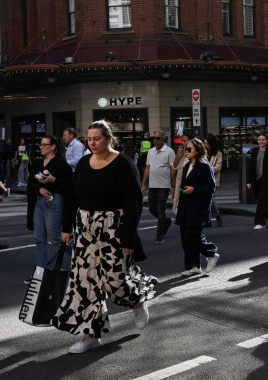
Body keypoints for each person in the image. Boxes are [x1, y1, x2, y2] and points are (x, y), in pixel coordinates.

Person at [52, 120, 157, 354]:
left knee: (115, 280)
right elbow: (72, 197)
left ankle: (137, 302)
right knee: (84, 282)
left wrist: (128, 237)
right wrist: (67, 226)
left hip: (113, 228)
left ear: (108, 138)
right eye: (89, 139)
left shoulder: (123, 164)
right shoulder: (83, 163)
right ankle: (89, 334)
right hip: (85, 228)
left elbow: (133, 202)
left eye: (96, 138)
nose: (92, 143)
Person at [27, 134, 72, 276]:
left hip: (54, 201)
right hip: (39, 202)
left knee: (56, 238)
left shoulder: (60, 163)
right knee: (39, 239)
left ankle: (83, 261)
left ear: (53, 147)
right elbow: (31, 183)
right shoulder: (38, 163)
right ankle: (41, 272)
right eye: (40, 145)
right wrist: (39, 188)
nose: (41, 147)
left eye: (44, 145)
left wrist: (53, 180)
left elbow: (69, 185)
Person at [175, 138, 218, 275]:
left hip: (197, 208)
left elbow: (210, 188)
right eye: (185, 149)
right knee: (185, 239)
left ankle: (211, 254)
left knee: (191, 237)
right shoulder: (187, 166)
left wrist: (194, 190)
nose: (186, 151)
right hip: (184, 207)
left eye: (189, 149)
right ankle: (193, 266)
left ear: (198, 150)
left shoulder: (205, 167)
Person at [141, 130, 176, 244]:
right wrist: (143, 184)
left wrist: (173, 185)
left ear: (163, 139)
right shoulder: (150, 152)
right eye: (154, 138)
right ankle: (166, 222)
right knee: (152, 209)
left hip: (164, 185)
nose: (155, 140)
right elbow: (147, 168)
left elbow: (172, 169)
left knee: (161, 210)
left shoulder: (169, 152)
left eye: (158, 138)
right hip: (152, 185)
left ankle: (160, 235)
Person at [247, 132, 268, 229]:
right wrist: (249, 181)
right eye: (259, 140)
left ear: (266, 141)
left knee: (261, 200)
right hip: (256, 180)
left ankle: (261, 223)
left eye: (263, 140)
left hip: (267, 180)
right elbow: (251, 167)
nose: (261, 141)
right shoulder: (254, 151)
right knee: (261, 200)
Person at [203, 134, 223, 228]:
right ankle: (213, 218)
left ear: (211, 144)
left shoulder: (218, 153)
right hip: (203, 180)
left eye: (206, 143)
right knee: (209, 200)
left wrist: (208, 169)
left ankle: (211, 219)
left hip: (213, 180)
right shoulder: (202, 152)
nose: (204, 144)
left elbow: (218, 167)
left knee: (209, 199)